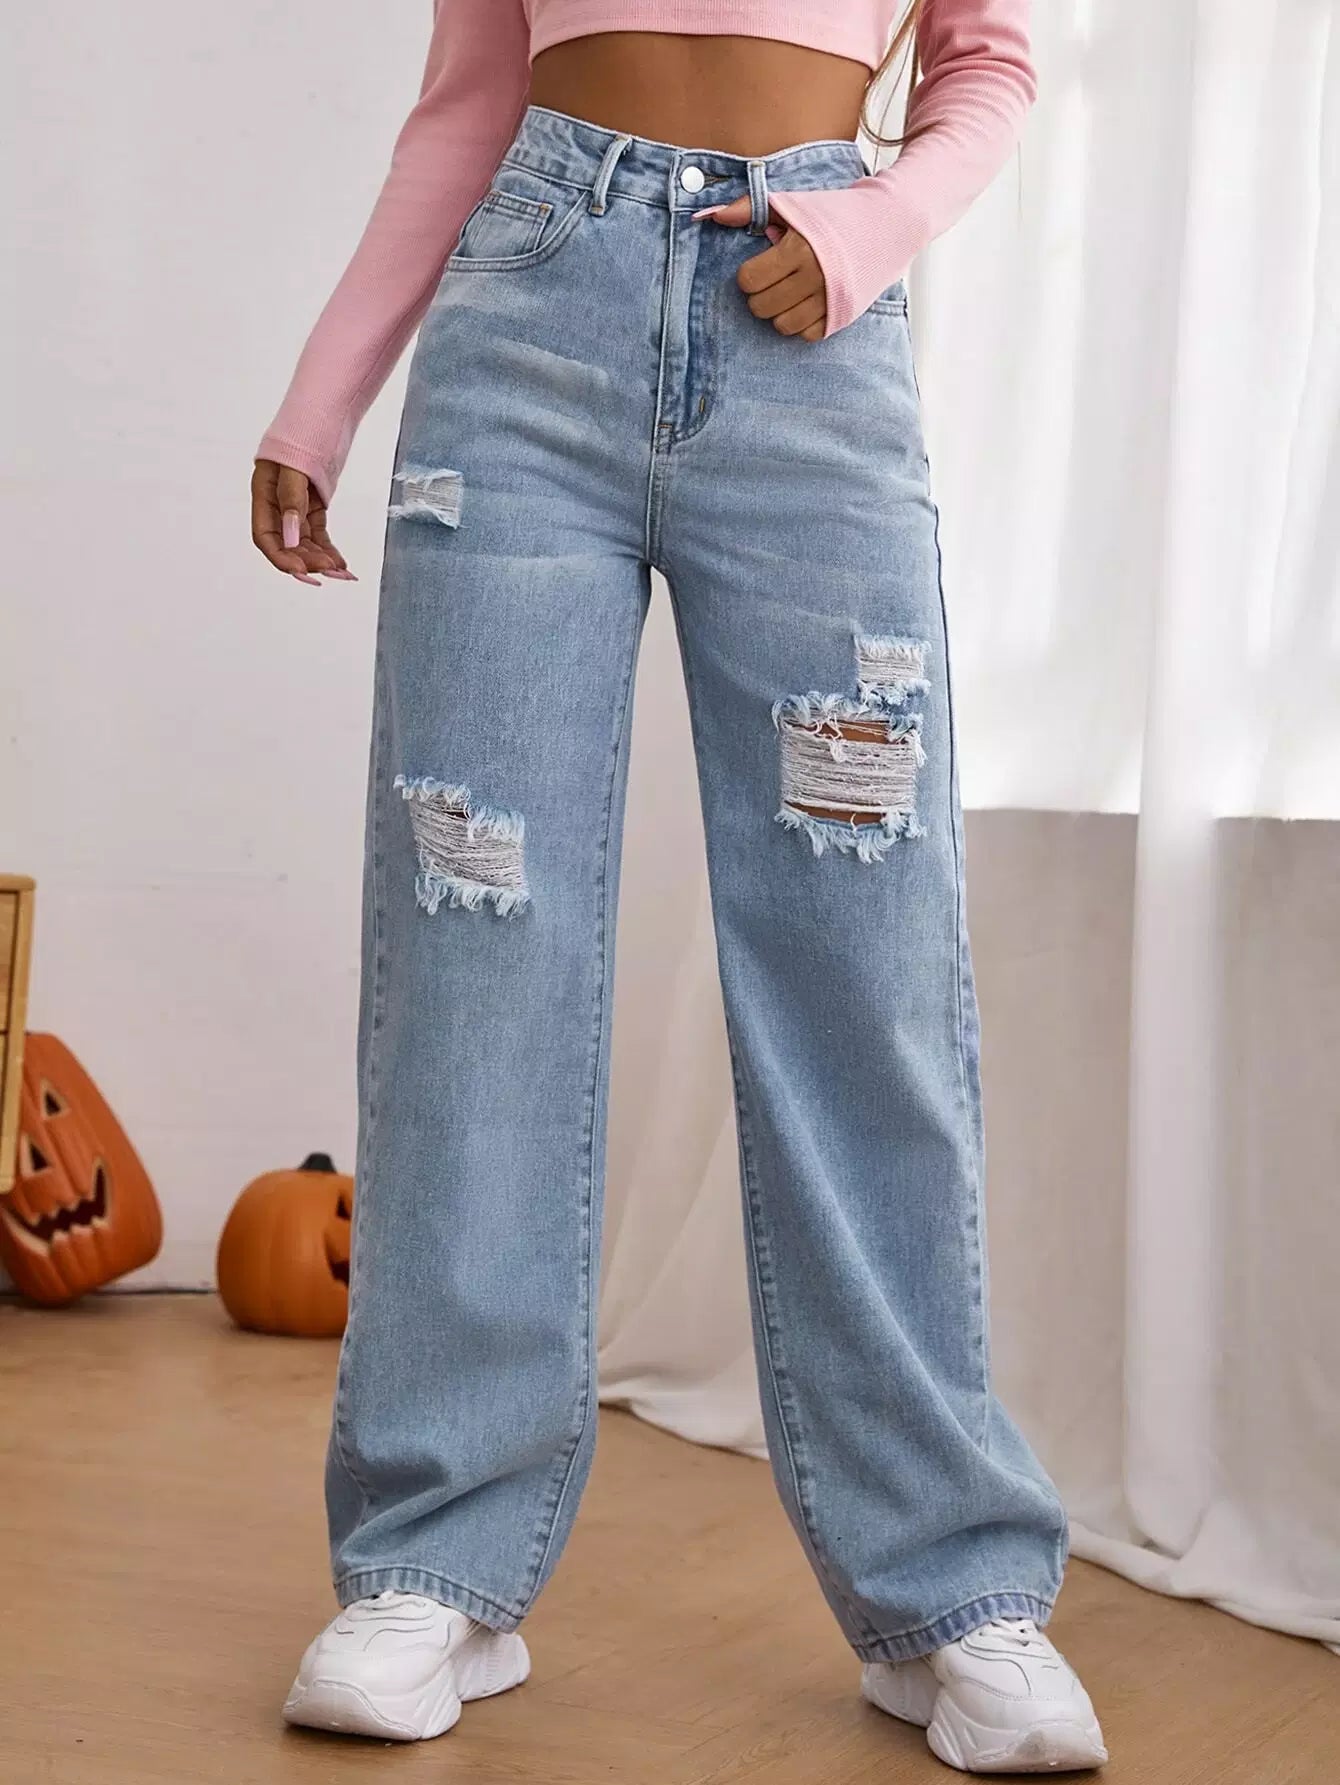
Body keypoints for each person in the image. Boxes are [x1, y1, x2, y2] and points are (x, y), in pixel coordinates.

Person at [251, 3, 1107, 1773]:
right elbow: (469, 103)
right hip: (524, 328)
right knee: (472, 946)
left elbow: (987, 66)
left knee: (862, 965)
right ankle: (433, 1561)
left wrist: (867, 227)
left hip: (813, 333)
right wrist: (322, 398)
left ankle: (947, 1585)